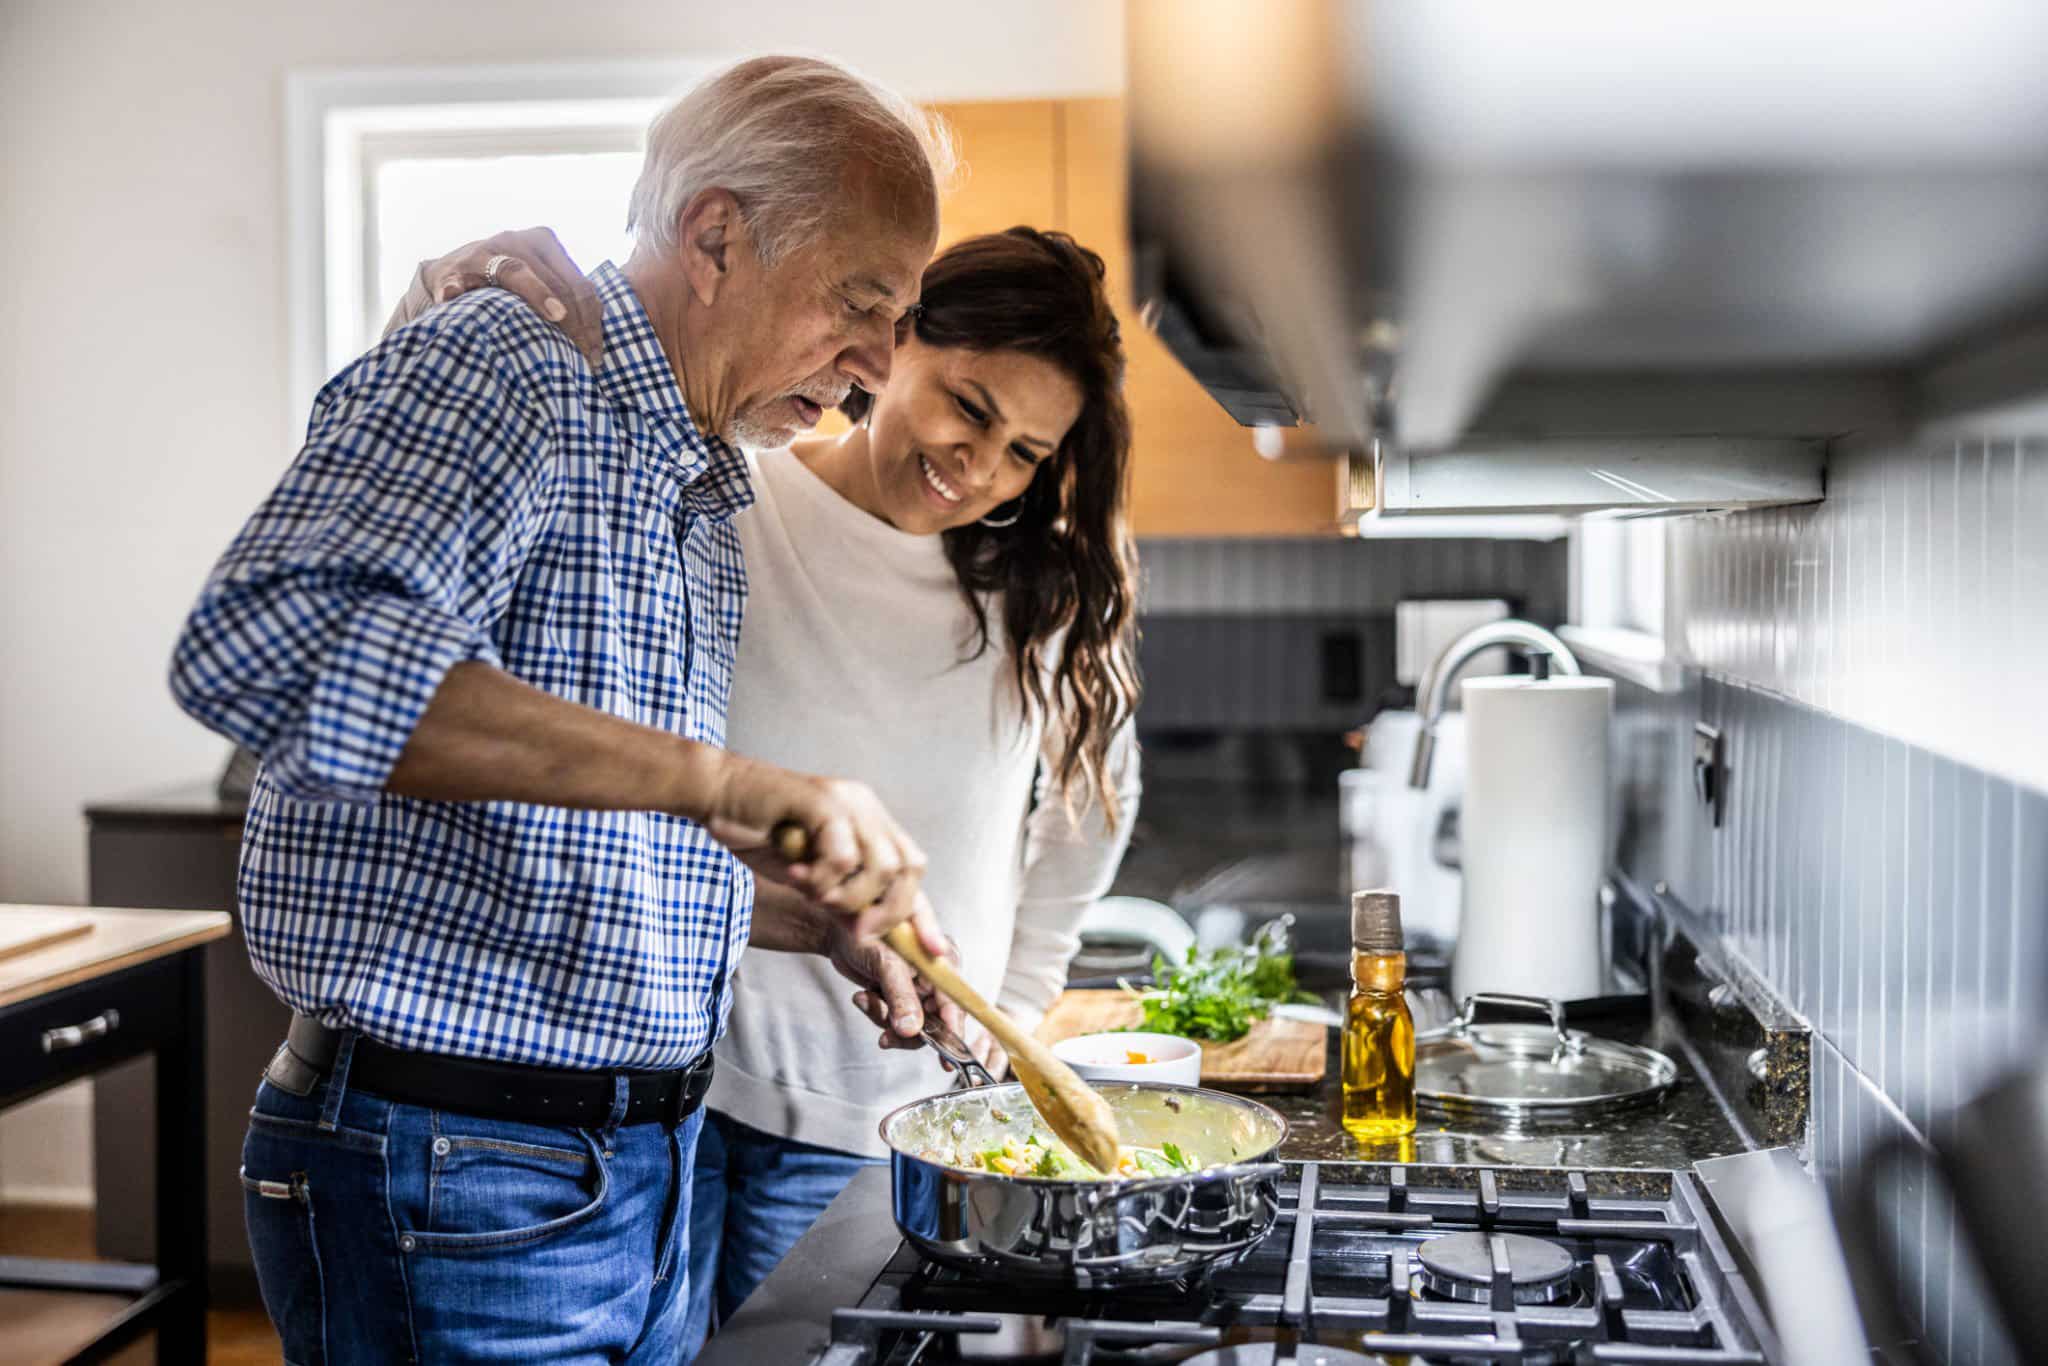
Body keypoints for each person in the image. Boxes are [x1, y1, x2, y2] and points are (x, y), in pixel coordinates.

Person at [167, 56, 960, 1364]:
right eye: (861, 303)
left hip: (627, 1171)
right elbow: (274, 653)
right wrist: (729, 783)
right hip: (459, 1170)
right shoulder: (509, 364)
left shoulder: (697, 488)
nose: (879, 370)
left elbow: (566, 839)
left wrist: (801, 916)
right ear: (715, 237)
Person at [400, 224, 1142, 1355]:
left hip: (882, 1107)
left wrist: (1023, 1005)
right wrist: (426, 316)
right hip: (666, 1086)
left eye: (1025, 454)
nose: (977, 467)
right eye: (968, 405)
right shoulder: (727, 495)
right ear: (892, 344)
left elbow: (1093, 813)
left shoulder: (1035, 594)